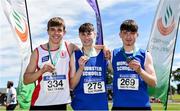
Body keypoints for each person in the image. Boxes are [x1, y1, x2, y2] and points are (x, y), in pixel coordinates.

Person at [23, 17, 77, 110]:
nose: (56, 33)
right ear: (48, 31)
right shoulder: (38, 51)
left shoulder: (69, 47)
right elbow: (26, 80)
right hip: (39, 104)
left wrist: (103, 48)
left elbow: (88, 47)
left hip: (61, 104)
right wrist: (42, 71)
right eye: (52, 30)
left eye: (59, 30)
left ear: (64, 32)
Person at [109, 19, 157, 110]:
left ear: (137, 35)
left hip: (142, 106)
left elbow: (154, 82)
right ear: (120, 35)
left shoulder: (145, 54)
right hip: (119, 106)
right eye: (125, 33)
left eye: (132, 33)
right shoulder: (112, 54)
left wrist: (140, 71)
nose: (128, 36)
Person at [70, 23, 109, 110]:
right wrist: (80, 68)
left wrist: (104, 47)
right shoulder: (75, 55)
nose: (86, 38)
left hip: (101, 106)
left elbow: (113, 72)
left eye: (89, 34)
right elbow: (72, 85)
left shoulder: (104, 54)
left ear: (94, 34)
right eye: (83, 34)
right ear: (79, 36)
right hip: (81, 106)